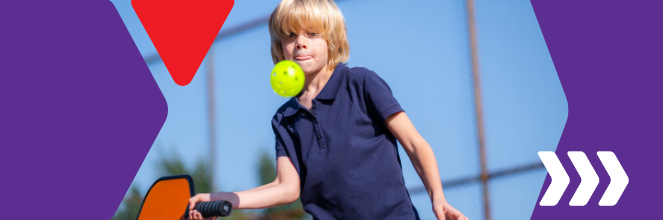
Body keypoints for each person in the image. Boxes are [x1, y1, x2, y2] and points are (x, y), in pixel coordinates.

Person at [186, 0, 468, 219]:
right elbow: (286, 188)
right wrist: (221, 196)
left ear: (332, 40)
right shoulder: (284, 119)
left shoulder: (361, 83)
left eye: (312, 33)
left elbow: (414, 143)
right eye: (290, 35)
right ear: (280, 47)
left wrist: (438, 197)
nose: (300, 42)